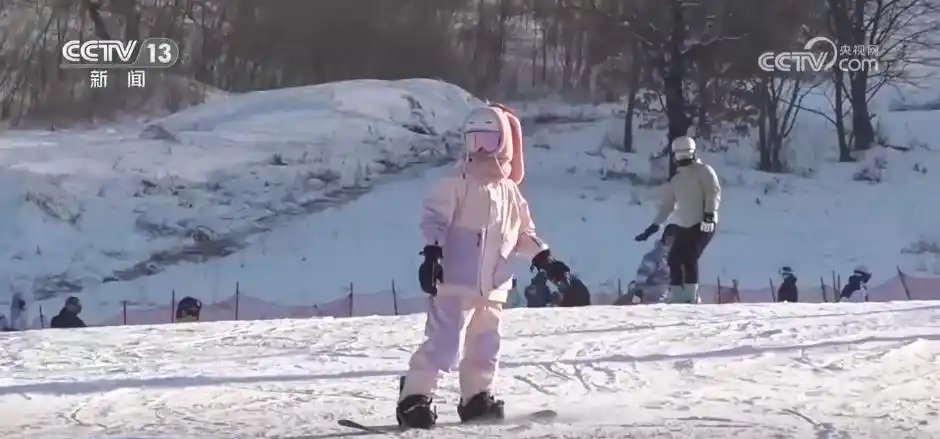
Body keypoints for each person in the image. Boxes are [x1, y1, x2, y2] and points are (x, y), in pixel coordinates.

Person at [400, 103, 572, 429]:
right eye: (472, 141)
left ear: (504, 144)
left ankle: (477, 397)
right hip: (454, 282)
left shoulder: (510, 193)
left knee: (485, 345)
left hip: (494, 286)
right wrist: (432, 254)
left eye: (488, 142)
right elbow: (435, 219)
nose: (479, 150)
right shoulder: (457, 183)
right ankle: (414, 398)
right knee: (443, 345)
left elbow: (523, 233)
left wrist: (544, 258)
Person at [635, 136, 720, 304]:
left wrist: (709, 215)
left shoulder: (704, 171)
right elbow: (668, 206)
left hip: (703, 223)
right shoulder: (677, 179)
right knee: (673, 258)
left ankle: (691, 296)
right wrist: (653, 226)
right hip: (686, 224)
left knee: (690, 257)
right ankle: (678, 294)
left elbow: (713, 192)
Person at [619, 224, 679, 305]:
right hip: (650, 293)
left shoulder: (682, 257)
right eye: (669, 236)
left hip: (671, 296)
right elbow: (642, 274)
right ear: (664, 238)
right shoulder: (655, 256)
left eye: (674, 237)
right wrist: (639, 291)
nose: (671, 240)